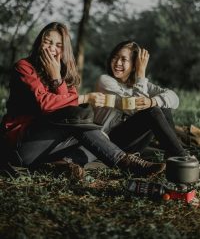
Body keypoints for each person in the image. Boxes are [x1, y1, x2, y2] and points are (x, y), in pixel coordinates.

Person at [0, 23, 165, 179]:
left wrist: (57, 78)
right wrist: (84, 97)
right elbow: (46, 104)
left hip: (48, 148)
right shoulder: (24, 67)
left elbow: (70, 110)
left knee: (96, 138)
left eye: (58, 45)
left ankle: (63, 164)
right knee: (83, 122)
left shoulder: (64, 74)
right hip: (22, 145)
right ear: (39, 43)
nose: (52, 48)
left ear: (64, 50)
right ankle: (125, 162)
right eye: (48, 42)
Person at [96, 40, 189, 158]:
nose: (117, 63)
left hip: (134, 144)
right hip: (109, 143)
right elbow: (133, 108)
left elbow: (174, 98)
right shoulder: (105, 81)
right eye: (115, 57)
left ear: (134, 65)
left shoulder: (141, 84)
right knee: (151, 110)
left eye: (124, 59)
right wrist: (141, 73)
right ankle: (182, 157)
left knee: (163, 107)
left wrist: (152, 101)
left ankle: (173, 154)